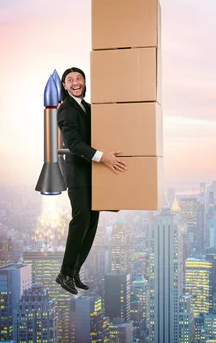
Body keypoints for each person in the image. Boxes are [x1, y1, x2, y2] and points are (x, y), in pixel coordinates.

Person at [55, 67, 127, 295]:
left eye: (79, 78)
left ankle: (75, 271)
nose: (75, 82)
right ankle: (64, 273)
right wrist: (102, 157)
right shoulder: (65, 110)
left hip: (94, 174)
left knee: (92, 223)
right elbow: (74, 144)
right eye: (70, 80)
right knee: (81, 220)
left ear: (84, 82)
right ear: (65, 86)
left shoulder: (88, 108)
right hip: (78, 174)